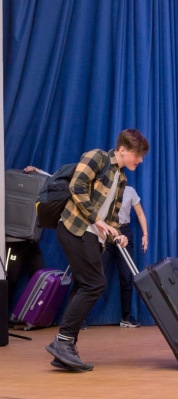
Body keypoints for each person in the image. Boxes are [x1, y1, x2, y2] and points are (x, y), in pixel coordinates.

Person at [45, 128, 149, 372]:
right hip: (75, 228)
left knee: (84, 284)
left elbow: (111, 217)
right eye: (137, 155)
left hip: (92, 236)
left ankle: (65, 347)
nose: (140, 160)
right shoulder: (98, 157)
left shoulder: (121, 178)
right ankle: (63, 342)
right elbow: (77, 186)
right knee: (94, 283)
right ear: (122, 150)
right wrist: (97, 220)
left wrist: (117, 234)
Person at [101, 185, 148, 328]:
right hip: (105, 232)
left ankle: (126, 318)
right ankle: (80, 317)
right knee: (96, 276)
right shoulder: (102, 187)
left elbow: (140, 213)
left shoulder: (130, 191)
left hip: (124, 232)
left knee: (127, 277)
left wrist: (145, 235)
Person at [5, 166, 51, 313]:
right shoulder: (6, 182)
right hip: (12, 242)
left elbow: (54, 180)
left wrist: (38, 171)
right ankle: (3, 317)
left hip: (30, 241)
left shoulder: (41, 184)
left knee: (41, 277)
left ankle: (35, 315)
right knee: (9, 279)